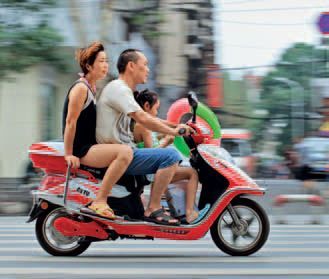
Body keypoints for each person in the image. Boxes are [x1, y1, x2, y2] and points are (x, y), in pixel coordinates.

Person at [96, 49, 194, 225]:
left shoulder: (124, 91)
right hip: (120, 155)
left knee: (170, 156)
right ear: (131, 66)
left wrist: (178, 126)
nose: (148, 70)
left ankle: (164, 207)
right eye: (145, 65)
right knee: (171, 156)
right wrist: (174, 132)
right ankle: (154, 208)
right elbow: (143, 118)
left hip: (124, 152)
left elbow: (149, 117)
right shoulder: (119, 89)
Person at [63, 41, 133, 220]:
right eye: (101, 61)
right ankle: (99, 201)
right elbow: (70, 122)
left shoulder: (92, 88)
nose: (106, 65)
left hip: (90, 146)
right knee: (124, 153)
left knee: (126, 149)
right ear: (88, 65)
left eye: (106, 61)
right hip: (82, 149)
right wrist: (69, 154)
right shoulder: (80, 89)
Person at [133, 89, 207, 223]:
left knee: (177, 164)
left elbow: (163, 124)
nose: (157, 113)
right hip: (149, 171)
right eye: (156, 109)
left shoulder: (147, 122)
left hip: (153, 168)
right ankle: (190, 213)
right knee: (192, 173)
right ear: (147, 106)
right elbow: (150, 156)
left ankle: (177, 210)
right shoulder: (143, 125)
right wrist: (166, 141)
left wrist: (181, 127)